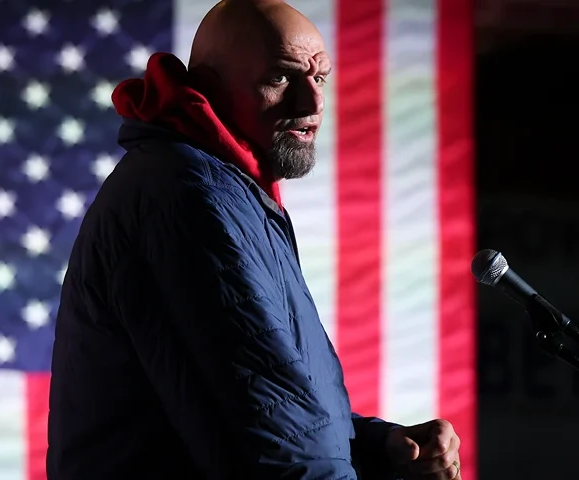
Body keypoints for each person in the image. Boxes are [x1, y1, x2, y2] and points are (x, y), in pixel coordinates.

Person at [46, 0, 462, 479]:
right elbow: (271, 448)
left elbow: (275, 414)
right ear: (208, 88)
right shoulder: (187, 195)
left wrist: (381, 446)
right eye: (282, 78)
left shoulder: (229, 191)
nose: (312, 103)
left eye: (320, 78)